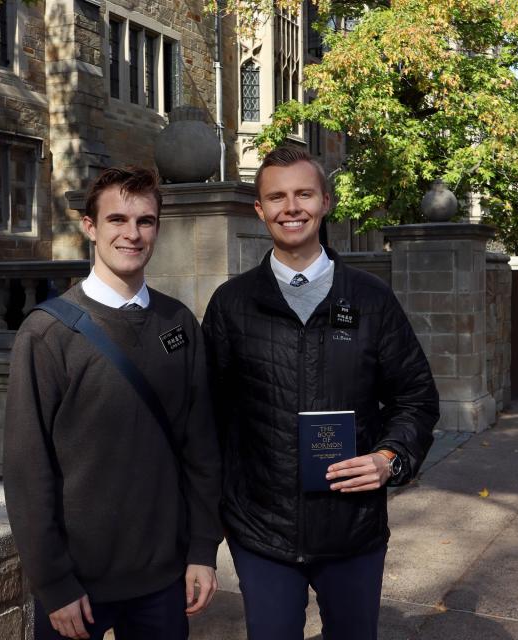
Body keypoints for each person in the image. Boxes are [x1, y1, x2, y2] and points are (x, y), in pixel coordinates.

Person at [202, 146, 440, 640]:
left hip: (352, 528)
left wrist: (389, 458)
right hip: (261, 533)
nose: (291, 207)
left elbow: (415, 398)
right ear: (260, 209)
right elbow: (209, 418)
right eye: (277, 197)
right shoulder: (232, 305)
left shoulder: (371, 299)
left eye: (303, 194)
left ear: (325, 202)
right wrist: (213, 521)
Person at [3, 166, 223, 640]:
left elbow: (200, 448)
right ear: (90, 227)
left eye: (145, 221)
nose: (132, 233)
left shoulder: (178, 322)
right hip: (77, 585)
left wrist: (203, 549)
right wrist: (54, 583)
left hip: (164, 579)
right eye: (117, 220)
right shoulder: (46, 334)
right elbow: (27, 470)